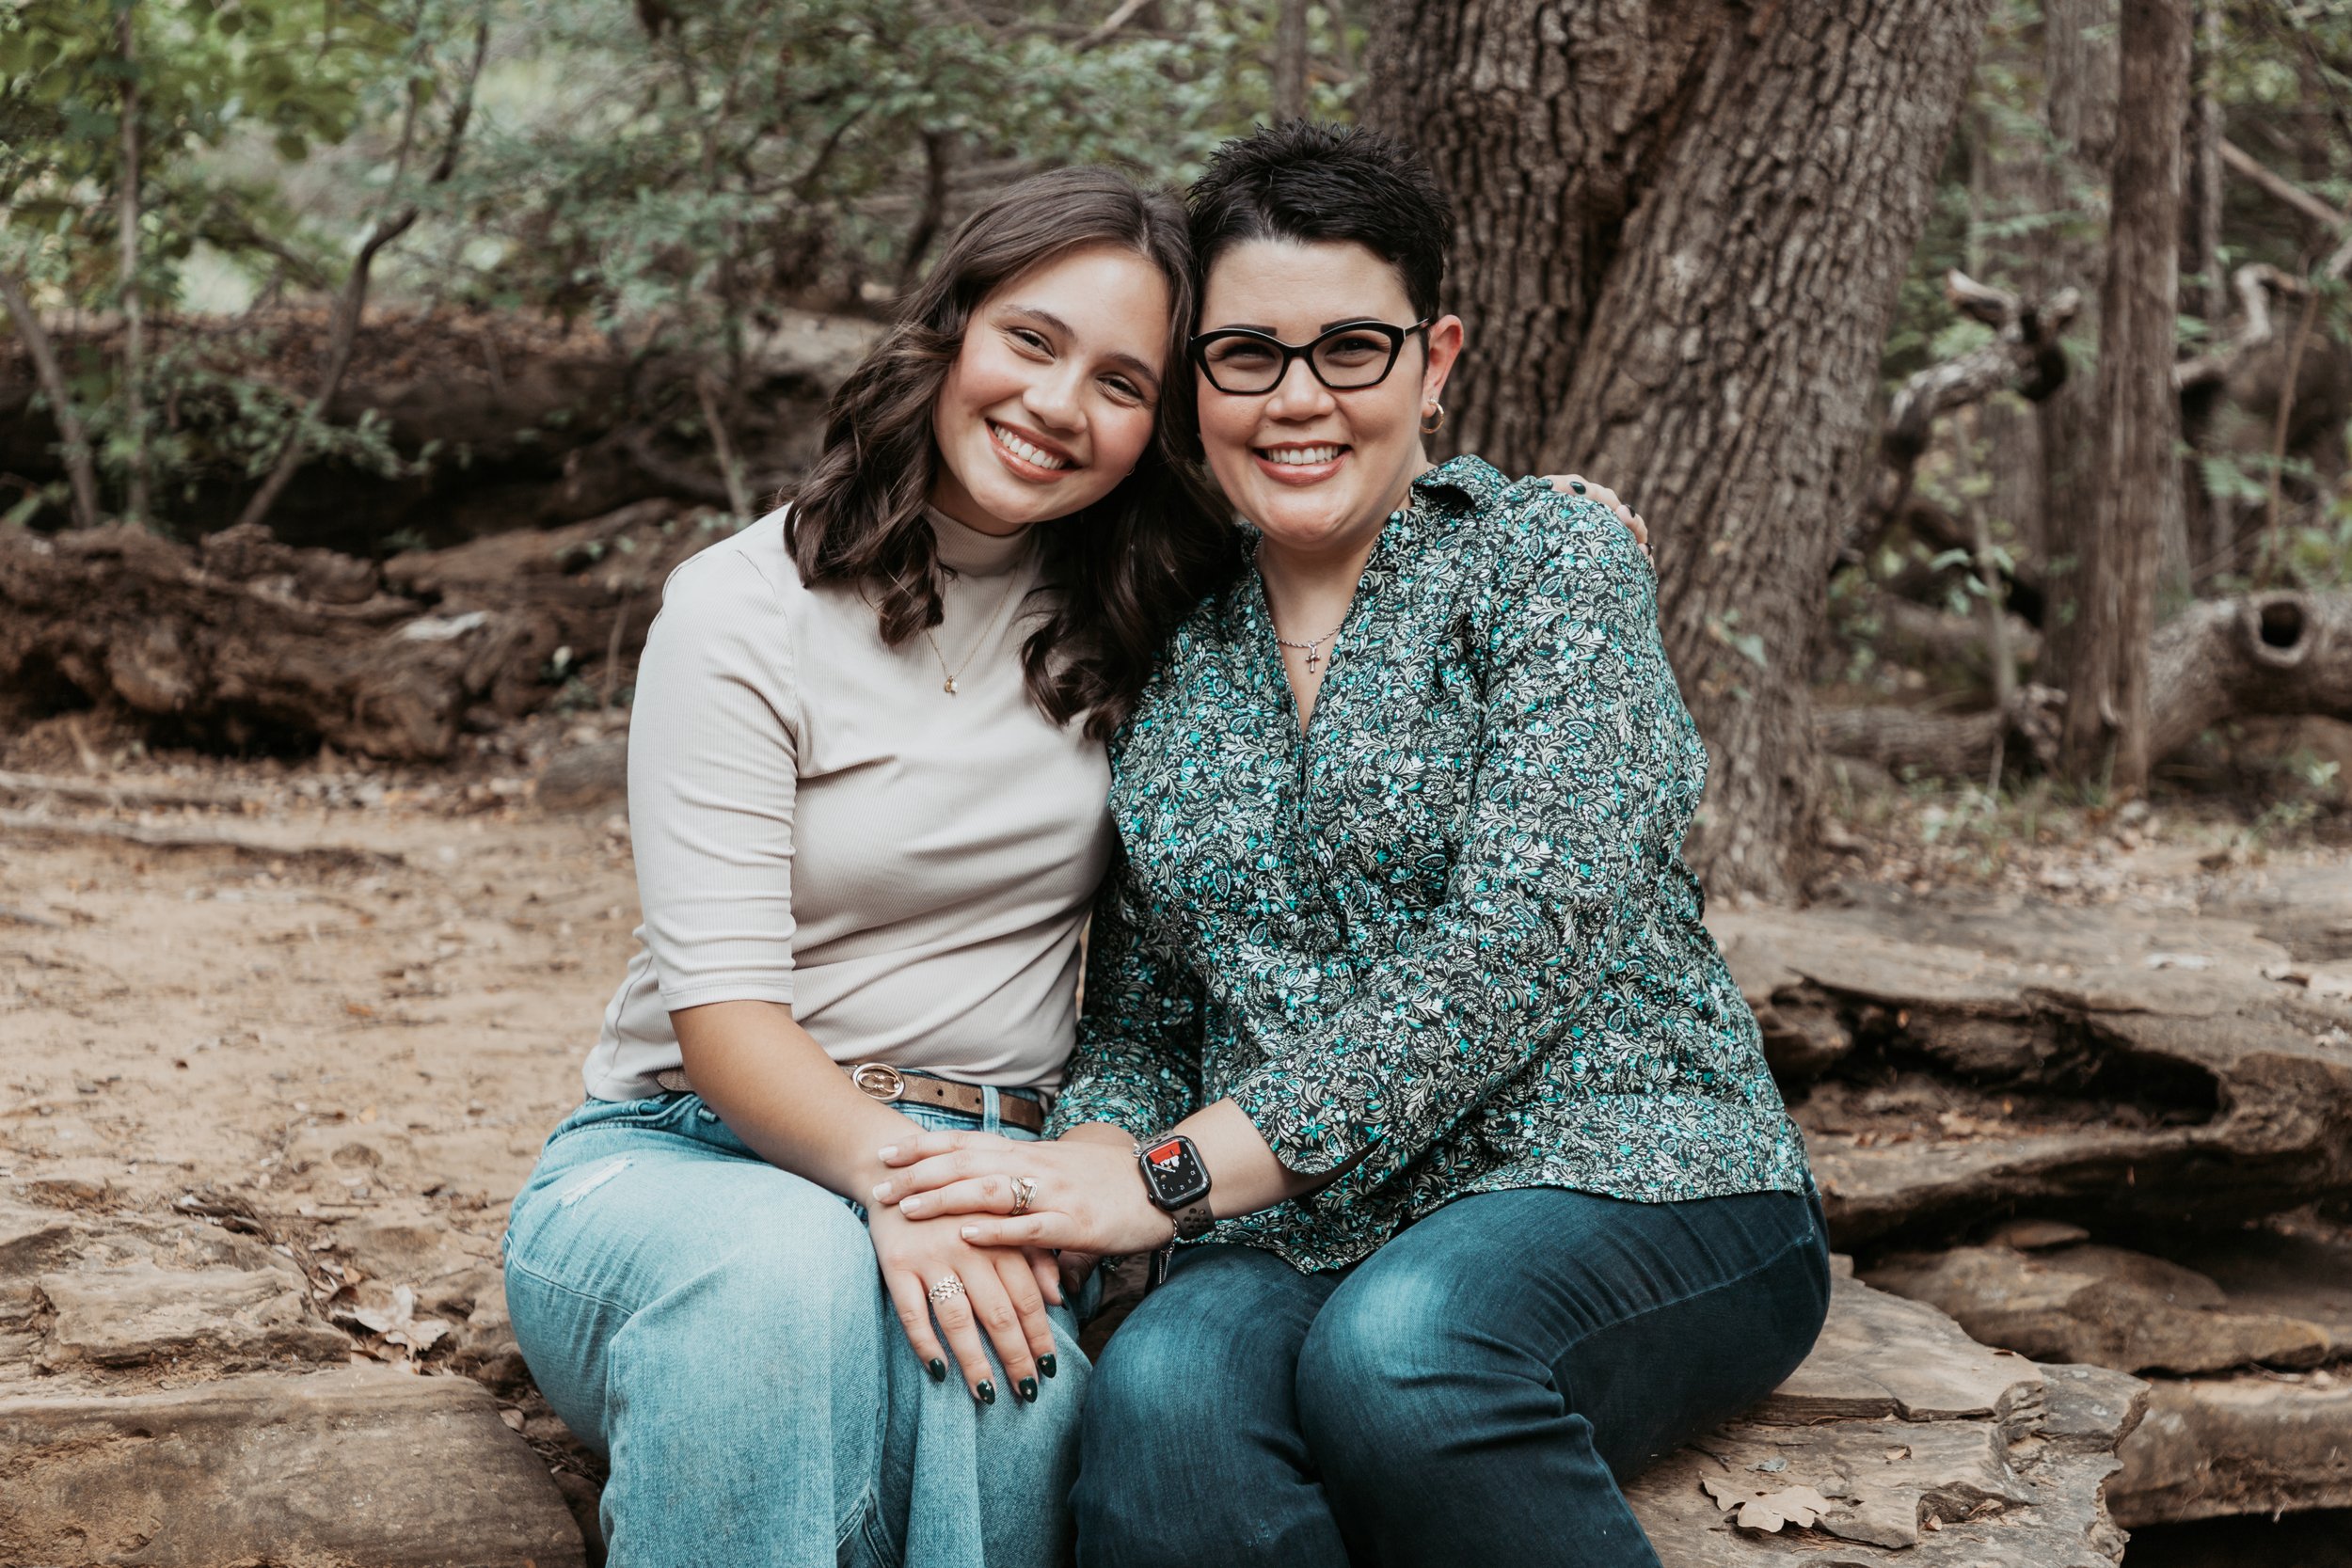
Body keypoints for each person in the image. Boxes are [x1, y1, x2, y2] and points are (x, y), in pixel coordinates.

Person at [871, 122, 1826, 1568]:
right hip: (1296, 1229)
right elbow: (1143, 1009)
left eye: (1352, 351)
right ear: (1197, 388)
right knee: (1166, 1397)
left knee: (1407, 1356)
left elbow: (1522, 937)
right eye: (1247, 354)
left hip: (1635, 1169)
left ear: (1436, 360)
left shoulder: (1542, 563)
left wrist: (1174, 1177)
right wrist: (1089, 1156)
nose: (1297, 399)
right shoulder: (1171, 645)